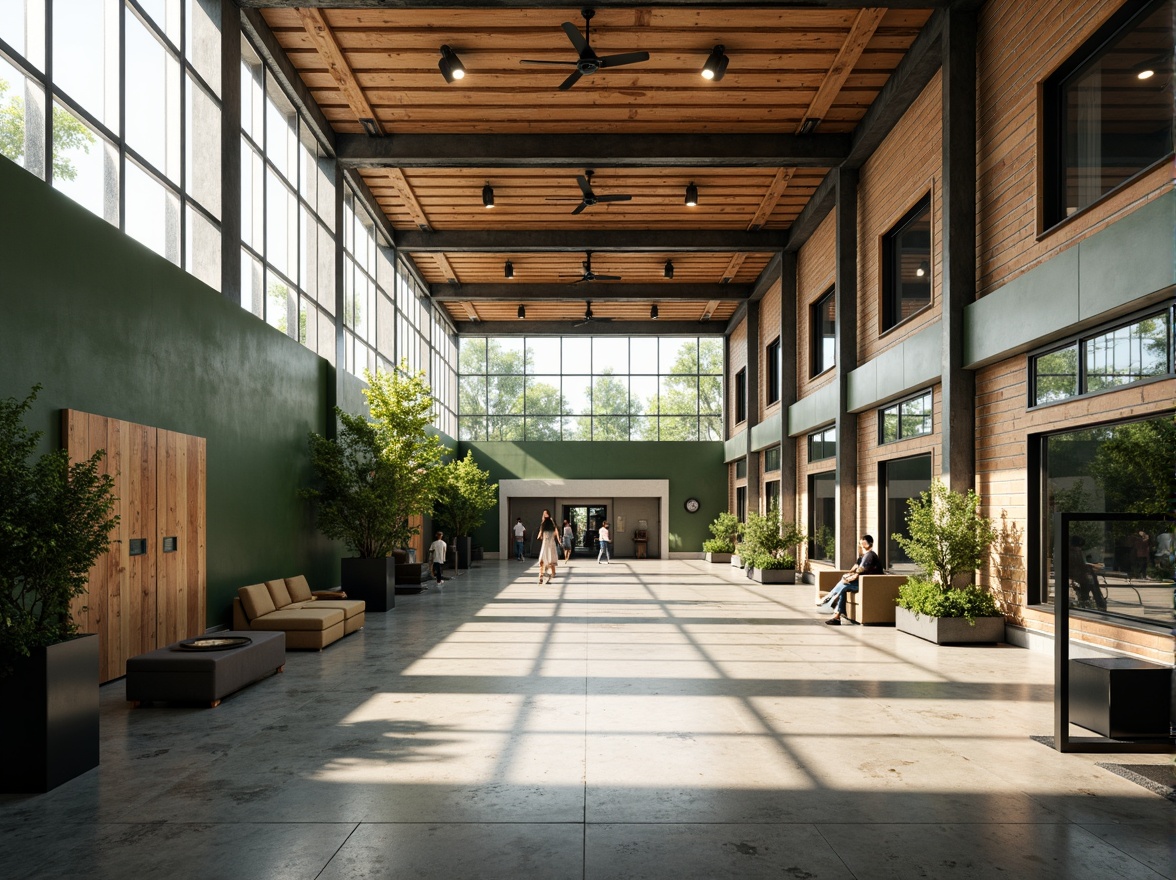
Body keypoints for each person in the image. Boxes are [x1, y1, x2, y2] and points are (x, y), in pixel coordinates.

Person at [823, 535, 882, 625]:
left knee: (843, 586)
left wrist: (851, 577)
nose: (862, 545)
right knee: (843, 586)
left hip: (868, 583)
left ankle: (830, 600)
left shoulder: (870, 555)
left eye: (863, 543)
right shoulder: (864, 556)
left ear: (870, 544)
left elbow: (860, 571)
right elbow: (855, 568)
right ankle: (835, 611)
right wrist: (849, 574)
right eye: (861, 543)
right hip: (863, 581)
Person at [1068, 535, 1106, 611]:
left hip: (1078, 574)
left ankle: (1086, 599)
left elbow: (1081, 564)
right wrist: (1092, 566)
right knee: (1092, 581)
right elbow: (1080, 565)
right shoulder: (1074, 552)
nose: (1080, 548)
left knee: (1091, 579)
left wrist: (1091, 566)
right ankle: (1099, 602)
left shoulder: (1074, 551)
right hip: (1077, 575)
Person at [537, 510, 559, 584]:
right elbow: (556, 533)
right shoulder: (552, 523)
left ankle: (541, 576)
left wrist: (540, 536)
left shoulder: (543, 524)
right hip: (551, 545)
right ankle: (549, 575)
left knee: (542, 561)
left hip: (545, 544)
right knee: (550, 561)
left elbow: (539, 535)